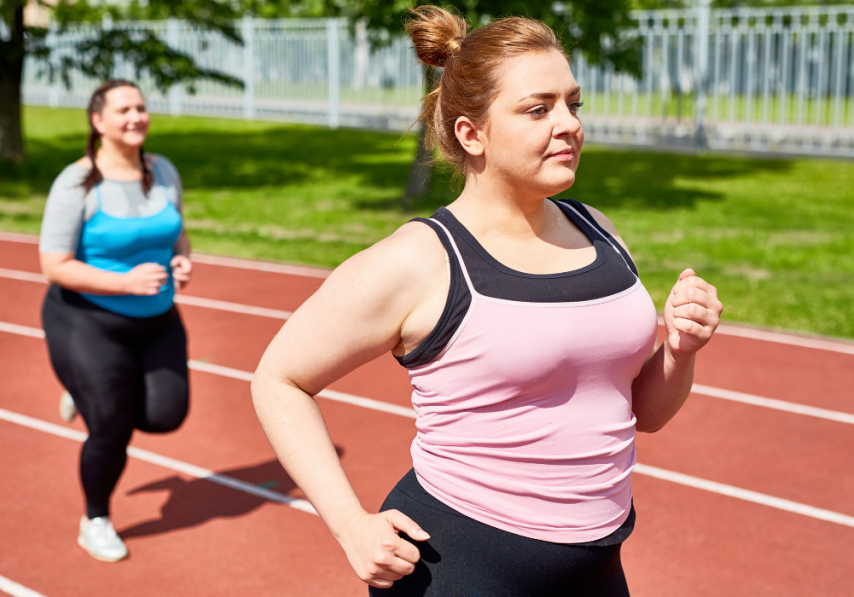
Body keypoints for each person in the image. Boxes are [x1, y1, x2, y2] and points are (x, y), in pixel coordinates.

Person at [251, 7, 723, 596]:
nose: (568, 124)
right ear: (470, 134)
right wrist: (350, 525)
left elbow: (641, 414)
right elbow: (280, 378)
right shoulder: (420, 260)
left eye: (573, 104)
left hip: (598, 565)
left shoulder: (598, 229)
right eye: (537, 108)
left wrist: (681, 349)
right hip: (463, 566)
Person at [39, 79, 193, 562]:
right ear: (97, 120)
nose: (135, 116)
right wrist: (124, 283)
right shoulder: (77, 181)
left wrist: (182, 260)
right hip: (86, 319)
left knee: (166, 416)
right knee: (112, 425)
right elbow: (54, 264)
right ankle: (96, 518)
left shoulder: (162, 170)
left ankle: (84, 391)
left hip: (158, 319)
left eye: (142, 107)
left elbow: (176, 232)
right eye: (123, 109)